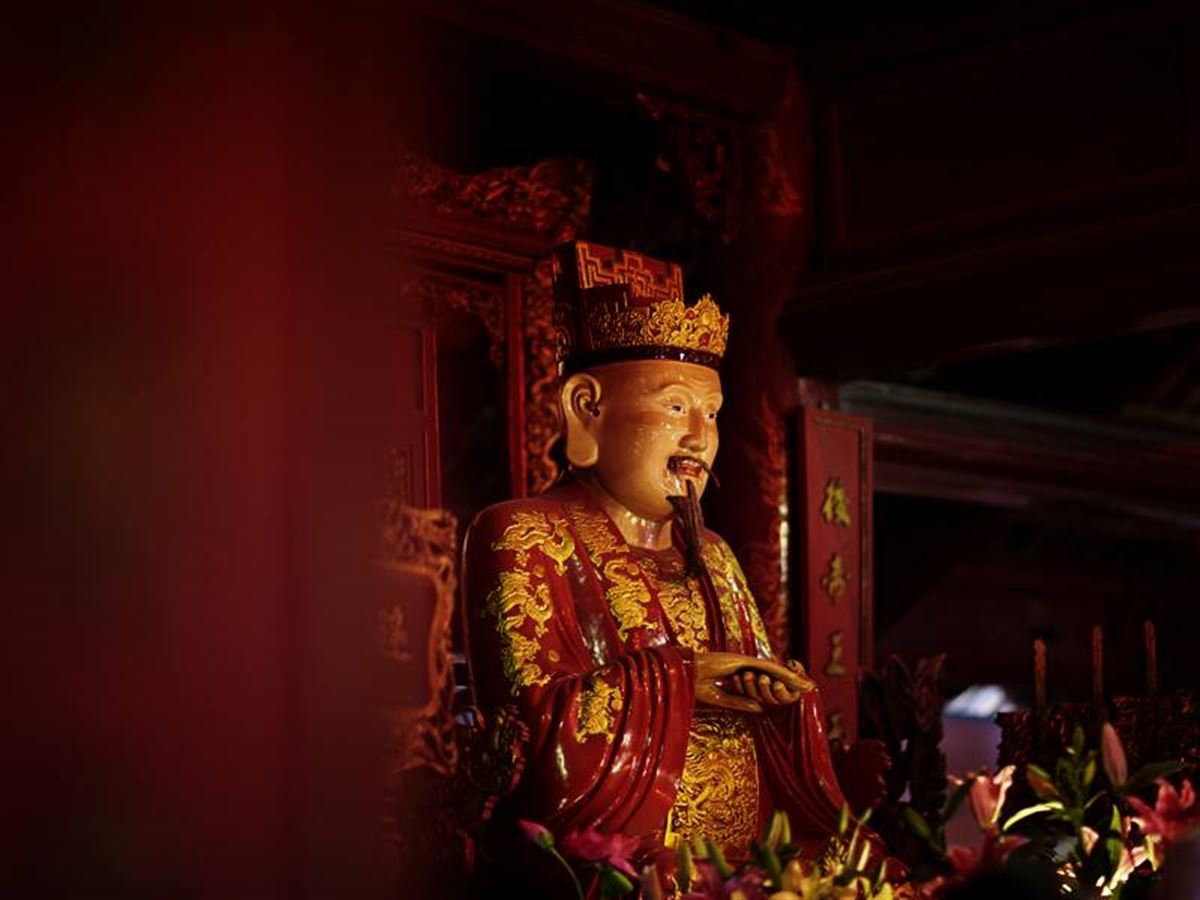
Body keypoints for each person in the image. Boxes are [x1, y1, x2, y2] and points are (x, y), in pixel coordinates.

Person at [462, 241, 852, 861]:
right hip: (616, 867)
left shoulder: (714, 555)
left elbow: (765, 721)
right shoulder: (524, 534)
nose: (699, 437)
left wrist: (783, 701)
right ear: (587, 409)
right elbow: (528, 734)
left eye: (712, 414)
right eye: (674, 407)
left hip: (739, 868)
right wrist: (683, 680)